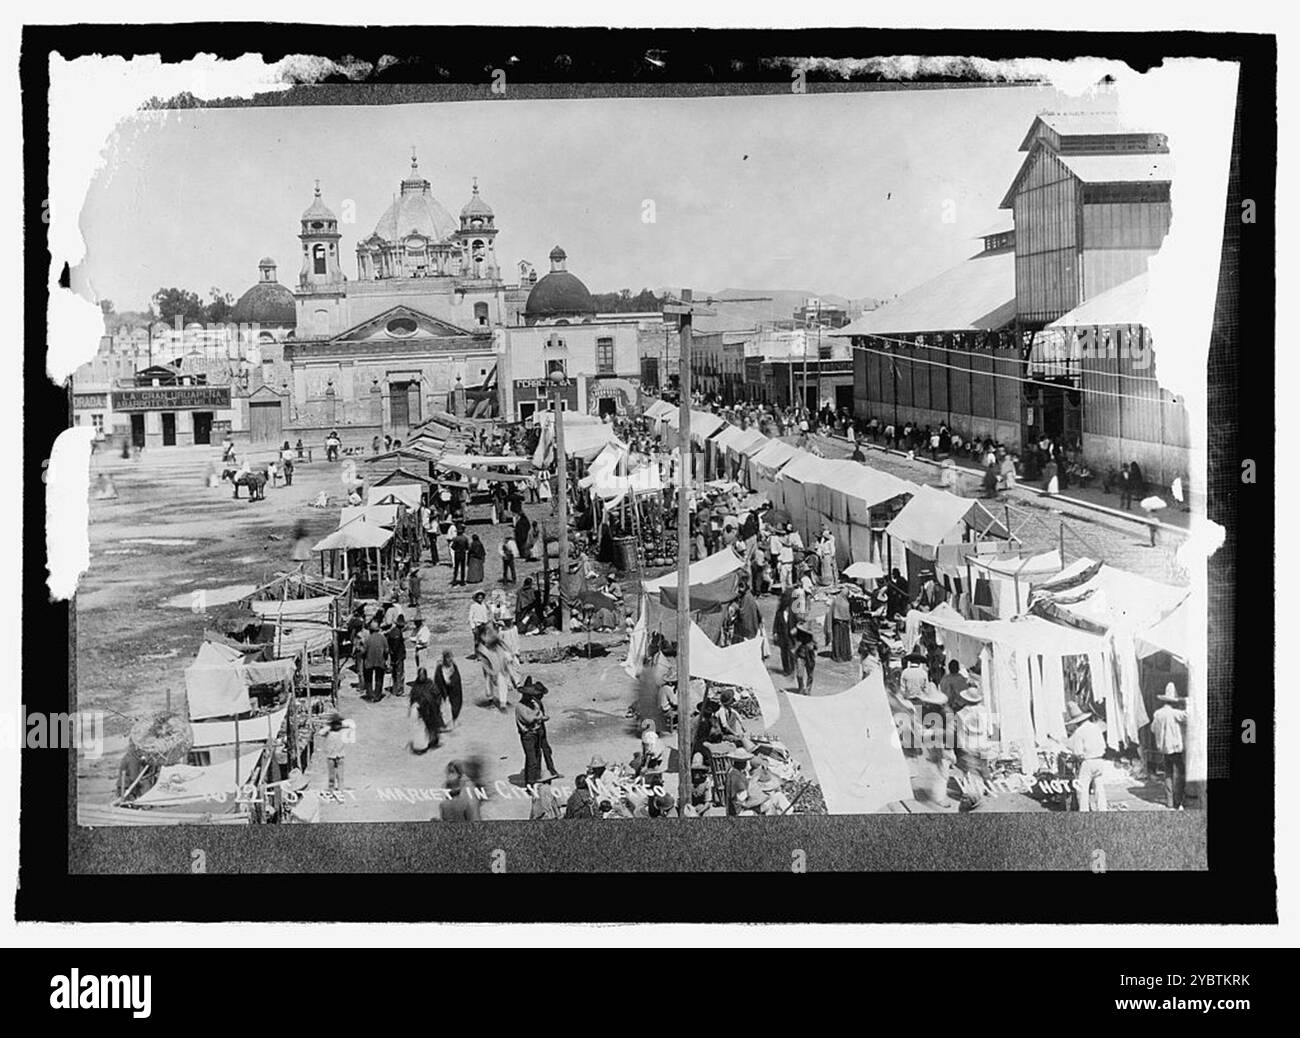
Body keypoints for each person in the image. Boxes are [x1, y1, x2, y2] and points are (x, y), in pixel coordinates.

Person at [1149, 683, 1188, 809]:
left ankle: (1170, 802)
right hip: (1175, 748)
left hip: (1164, 749)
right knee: (1181, 773)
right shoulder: (1176, 713)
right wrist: (1186, 701)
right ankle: (1178, 801)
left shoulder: (1157, 714)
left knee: (1168, 774)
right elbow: (1189, 715)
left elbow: (1153, 729)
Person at [1064, 701, 1107, 812]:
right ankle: (1103, 809)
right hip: (1100, 760)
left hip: (1088, 762)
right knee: (1099, 788)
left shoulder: (1079, 732)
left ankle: (1084, 811)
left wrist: (1075, 755)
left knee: (1082, 790)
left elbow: (1078, 752)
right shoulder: (1096, 727)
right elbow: (1103, 745)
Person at [515, 680, 547, 786]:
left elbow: (538, 713)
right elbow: (529, 719)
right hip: (527, 735)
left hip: (536, 732)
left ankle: (536, 779)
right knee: (532, 760)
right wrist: (539, 717)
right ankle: (530, 783)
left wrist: (538, 717)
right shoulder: (520, 706)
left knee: (537, 756)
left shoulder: (532, 704)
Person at [478, 625, 516, 712]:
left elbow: (503, 644)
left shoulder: (495, 638)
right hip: (488, 663)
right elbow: (483, 658)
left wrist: (509, 652)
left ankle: (503, 703)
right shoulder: (482, 645)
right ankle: (490, 699)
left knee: (502, 680)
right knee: (488, 681)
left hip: (498, 661)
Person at [407, 666, 441, 753]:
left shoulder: (430, 684)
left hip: (430, 710)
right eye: (420, 675)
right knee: (421, 729)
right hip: (420, 712)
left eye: (423, 675)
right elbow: (413, 696)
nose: (421, 677)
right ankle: (421, 746)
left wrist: (431, 702)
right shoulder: (416, 685)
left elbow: (437, 695)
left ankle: (433, 741)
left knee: (431, 727)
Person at [317, 711, 351, 791]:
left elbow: (348, 726)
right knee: (331, 776)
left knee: (340, 776)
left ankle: (340, 789)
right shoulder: (328, 731)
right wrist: (328, 727)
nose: (337, 726)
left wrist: (340, 726)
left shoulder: (342, 731)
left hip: (340, 756)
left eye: (338, 724)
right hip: (331, 756)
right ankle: (331, 788)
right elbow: (320, 732)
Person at [433, 649, 463, 732]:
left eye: (451, 658)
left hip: (454, 692)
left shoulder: (454, 667)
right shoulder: (440, 668)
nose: (449, 660)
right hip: (443, 692)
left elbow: (457, 680)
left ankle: (452, 722)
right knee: (443, 707)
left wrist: (451, 683)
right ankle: (443, 724)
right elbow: (437, 681)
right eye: (448, 658)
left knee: (454, 705)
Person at [361, 621, 388, 701]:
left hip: (369, 661)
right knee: (379, 678)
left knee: (368, 679)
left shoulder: (367, 639)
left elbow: (363, 651)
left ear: (370, 630)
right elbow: (386, 650)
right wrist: (385, 659)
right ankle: (377, 695)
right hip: (380, 661)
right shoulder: (383, 638)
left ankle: (370, 695)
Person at [773, 588, 797, 676]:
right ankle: (786, 670)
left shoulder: (794, 611)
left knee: (791, 652)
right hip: (782, 635)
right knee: (783, 653)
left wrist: (796, 629)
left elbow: (799, 623)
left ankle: (793, 669)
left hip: (791, 636)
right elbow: (776, 623)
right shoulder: (779, 612)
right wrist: (775, 632)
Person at [825, 588, 853, 662]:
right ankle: (839, 655)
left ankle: (843, 655)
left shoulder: (845, 601)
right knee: (839, 640)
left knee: (843, 640)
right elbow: (830, 614)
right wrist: (829, 628)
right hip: (838, 624)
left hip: (842, 624)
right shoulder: (837, 601)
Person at [724, 747, 753, 815]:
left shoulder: (733, 772)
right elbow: (741, 797)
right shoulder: (736, 776)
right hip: (738, 810)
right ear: (741, 763)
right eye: (745, 762)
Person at [386, 617, 407, 698]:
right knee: (399, 673)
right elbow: (397, 647)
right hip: (398, 656)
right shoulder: (398, 633)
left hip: (393, 656)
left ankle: (395, 689)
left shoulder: (392, 631)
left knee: (395, 673)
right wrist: (397, 657)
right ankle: (399, 690)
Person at [793, 623, 817, 694]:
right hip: (800, 655)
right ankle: (801, 687)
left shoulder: (812, 634)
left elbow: (816, 644)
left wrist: (813, 647)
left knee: (810, 674)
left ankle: (808, 689)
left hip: (809, 655)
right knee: (799, 674)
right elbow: (795, 641)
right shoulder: (798, 633)